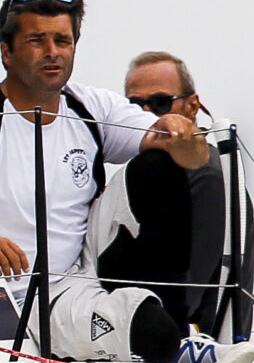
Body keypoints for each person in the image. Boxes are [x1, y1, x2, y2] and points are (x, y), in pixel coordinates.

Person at [0, 0, 234, 363]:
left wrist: (181, 134)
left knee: (162, 162)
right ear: (6, 52)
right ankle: (163, 337)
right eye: (37, 40)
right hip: (20, 297)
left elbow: (192, 154)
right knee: (152, 334)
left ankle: (182, 328)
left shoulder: (89, 106)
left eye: (63, 41)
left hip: (84, 267)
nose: (52, 52)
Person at [89, 50, 231, 339]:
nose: (145, 115)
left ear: (192, 107)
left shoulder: (204, 173)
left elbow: (190, 289)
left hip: (170, 339)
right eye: (134, 105)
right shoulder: (143, 170)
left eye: (160, 103)